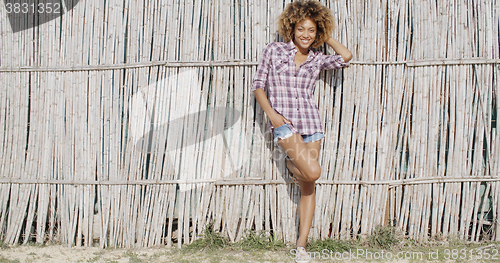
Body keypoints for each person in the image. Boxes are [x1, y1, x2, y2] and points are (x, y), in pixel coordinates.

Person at [252, 1, 352, 262]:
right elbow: (258, 86)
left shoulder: (317, 58)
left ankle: (301, 246)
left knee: (309, 185)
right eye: (301, 29)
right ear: (291, 29)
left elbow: (345, 57)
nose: (306, 35)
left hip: (312, 125)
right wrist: (272, 116)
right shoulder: (274, 51)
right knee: (313, 171)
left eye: (311, 30)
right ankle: (289, 162)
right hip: (284, 123)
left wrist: (324, 34)